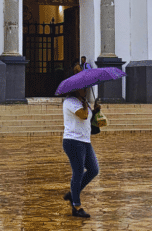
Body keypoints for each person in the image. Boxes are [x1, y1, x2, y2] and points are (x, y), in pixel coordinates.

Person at [62, 87, 100, 218]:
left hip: (85, 140)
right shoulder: (70, 101)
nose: (86, 91)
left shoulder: (83, 101)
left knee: (94, 170)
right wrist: (86, 106)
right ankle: (76, 206)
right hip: (73, 141)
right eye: (84, 89)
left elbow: (88, 117)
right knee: (78, 173)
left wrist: (95, 111)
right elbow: (83, 115)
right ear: (76, 89)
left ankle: (72, 195)